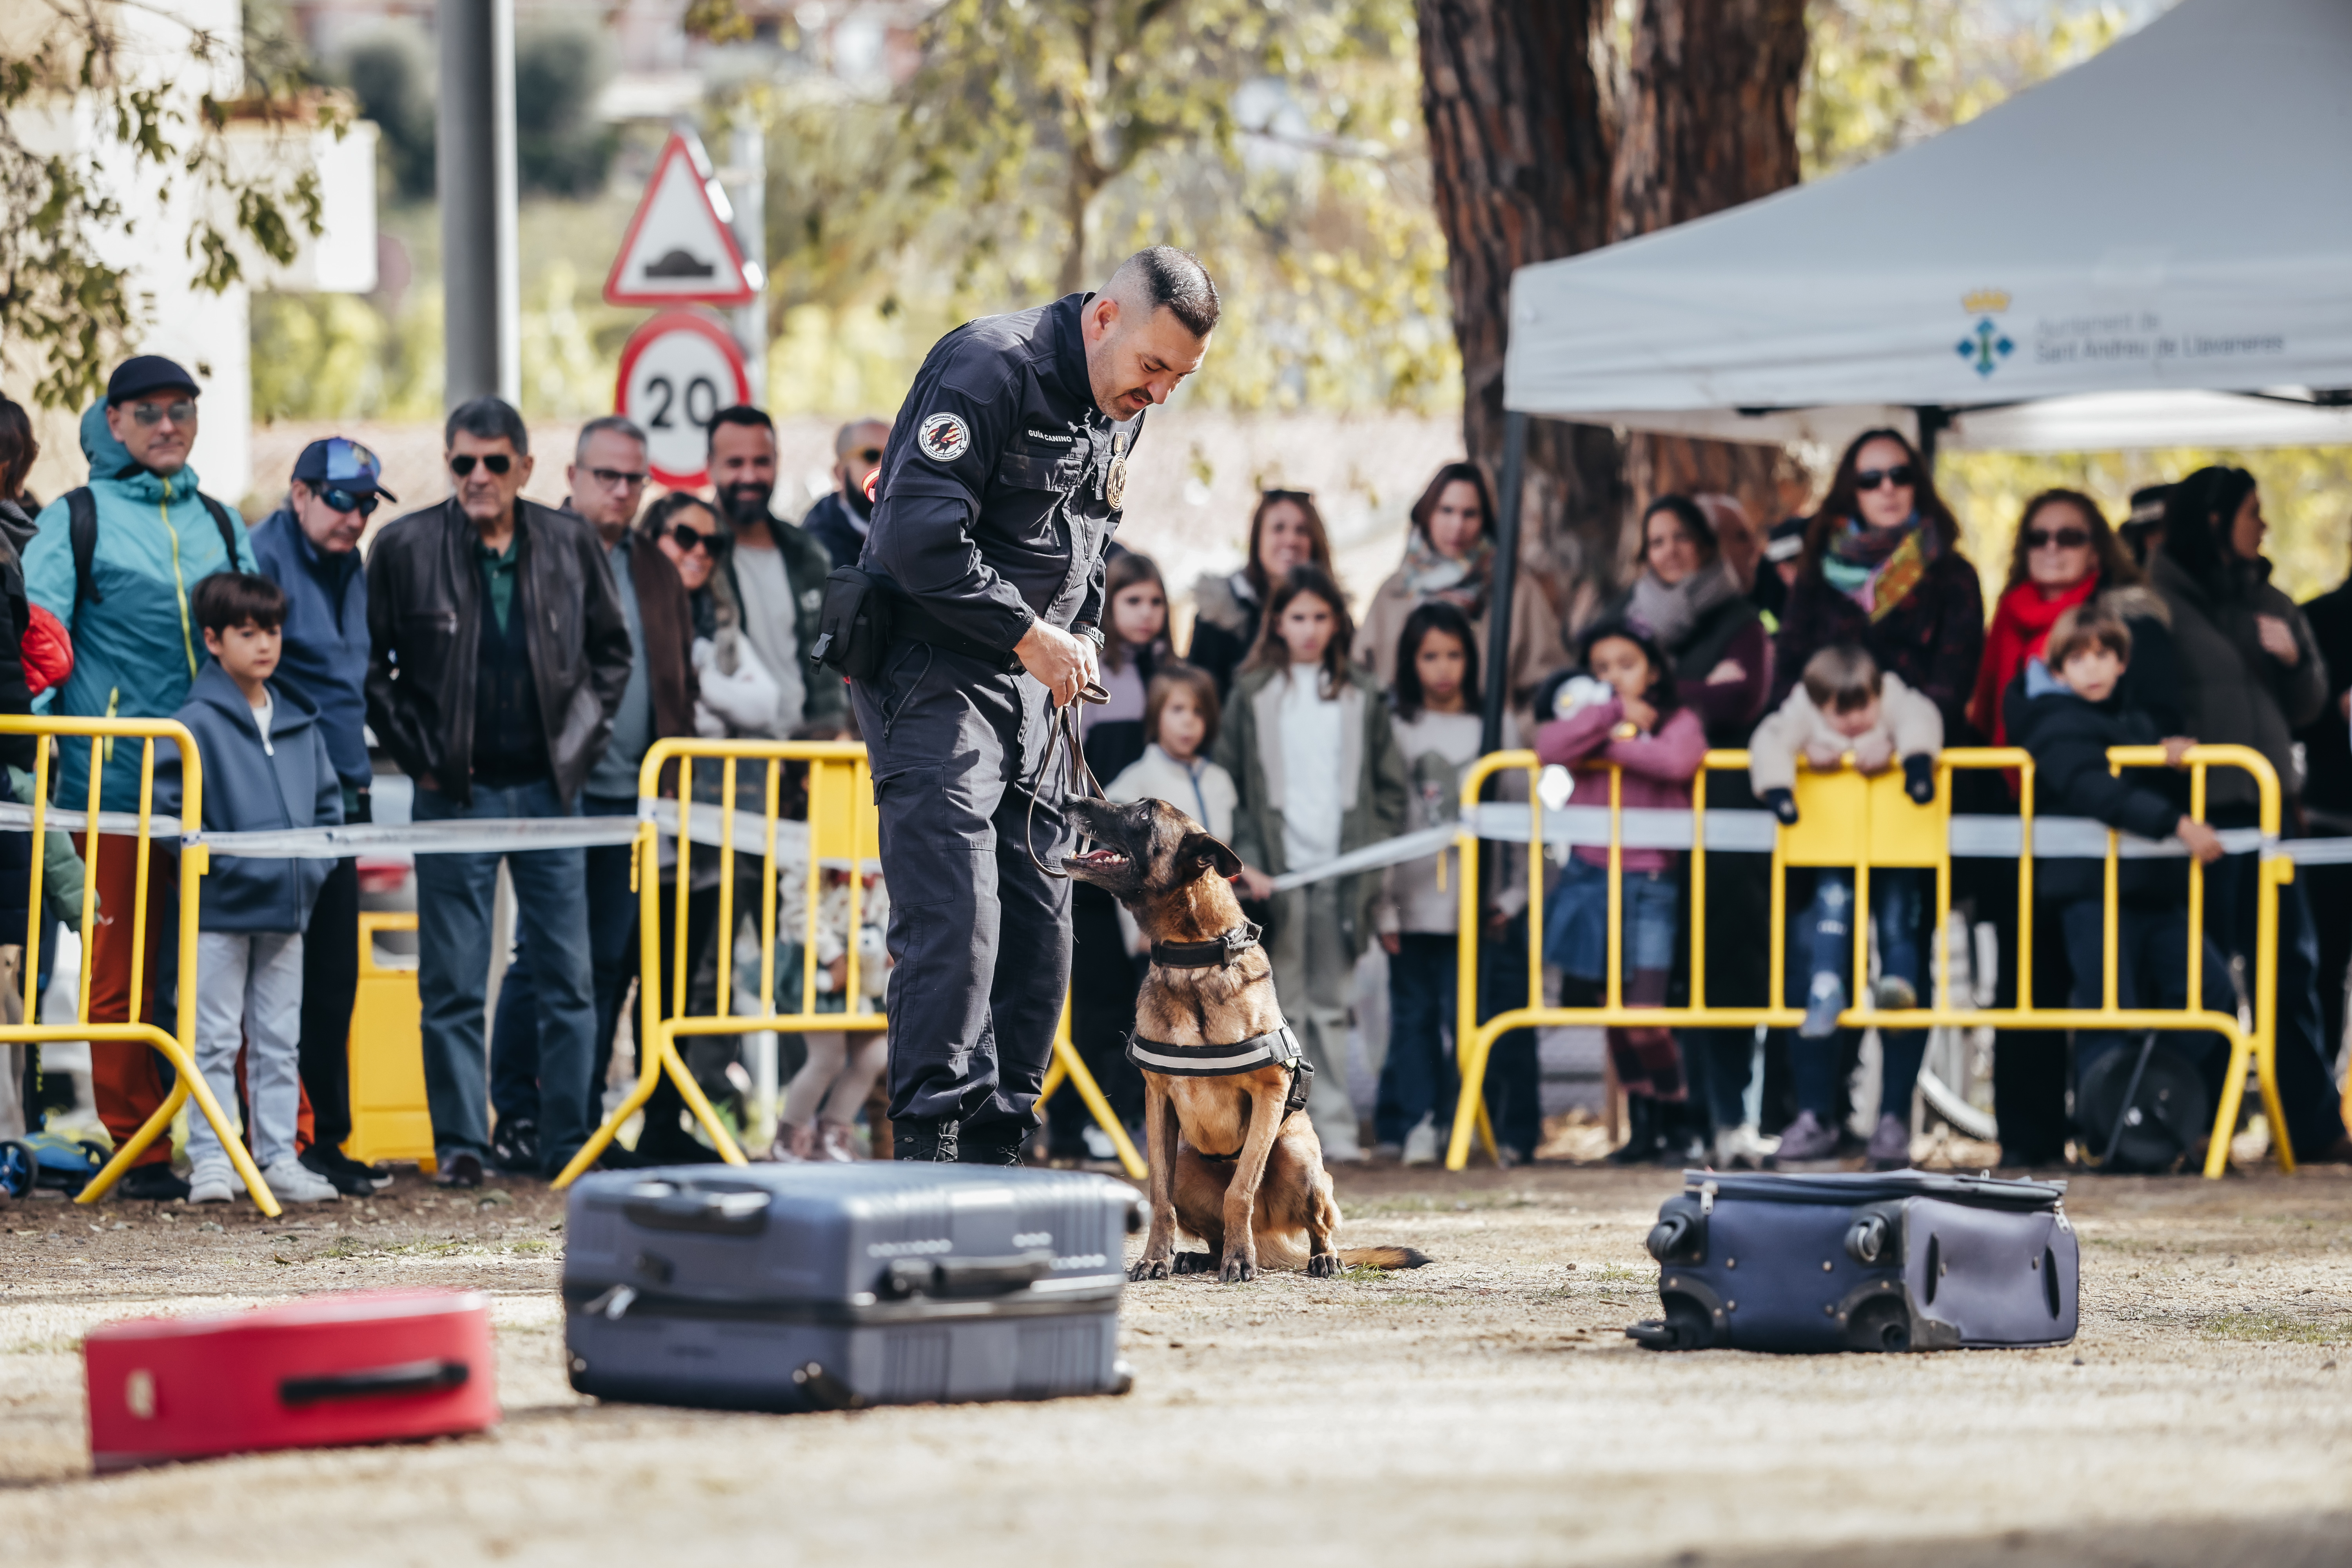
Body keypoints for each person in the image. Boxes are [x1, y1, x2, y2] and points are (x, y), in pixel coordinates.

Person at [853, 246, 1217, 1164]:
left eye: (1180, 376)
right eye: (1154, 365)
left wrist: (1083, 635)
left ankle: (1005, 1139)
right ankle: (935, 1147)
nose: (1162, 392)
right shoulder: (990, 365)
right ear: (1104, 319)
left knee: (1041, 917)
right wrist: (1032, 635)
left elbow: (1088, 545)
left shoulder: (1117, 410)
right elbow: (914, 537)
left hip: (1036, 687)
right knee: (957, 915)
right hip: (934, 671)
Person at [364, 396, 633, 1186]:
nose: (477, 476)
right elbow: (372, 670)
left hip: (552, 791)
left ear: (525, 466)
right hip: (456, 793)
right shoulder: (405, 545)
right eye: (462, 462)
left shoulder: (569, 541)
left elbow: (610, 655)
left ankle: (566, 1141)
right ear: (449, 465)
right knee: (452, 977)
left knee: (569, 977)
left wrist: (576, 747)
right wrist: (422, 757)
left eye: (493, 461)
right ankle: (461, 1144)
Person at [24, 355, 257, 1201]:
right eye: (149, 411)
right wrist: (32, 766)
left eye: (182, 409)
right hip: (110, 789)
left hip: (212, 790)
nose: (168, 425)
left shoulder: (227, 524)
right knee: (116, 974)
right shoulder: (75, 518)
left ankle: (227, 1140)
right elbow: (38, 645)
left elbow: (258, 643)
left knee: (219, 967)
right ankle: (139, 1149)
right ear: (114, 421)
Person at [483, 417, 698, 1174]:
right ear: (570, 477)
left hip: (636, 802)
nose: (621, 490)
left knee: (606, 961)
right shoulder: (534, 549)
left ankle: (573, 1126)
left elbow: (679, 681)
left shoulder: (654, 566)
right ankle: (518, 1114)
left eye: (635, 478)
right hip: (552, 792)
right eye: (606, 475)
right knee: (539, 960)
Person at [2147, 466, 2351, 1165]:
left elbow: (2311, 706)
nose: (2262, 527)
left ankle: (2312, 1127)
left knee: (2290, 967)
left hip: (2272, 813)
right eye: (2251, 513)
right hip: (2198, 816)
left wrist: (2296, 661)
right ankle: (2198, 1129)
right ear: (2213, 520)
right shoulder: (2155, 602)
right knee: (2201, 974)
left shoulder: (2271, 600)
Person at [1967, 487, 2176, 1166]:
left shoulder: (2133, 620)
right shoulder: (2006, 619)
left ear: (2098, 546)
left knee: (2110, 987)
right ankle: (2027, 1139)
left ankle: (2122, 1129)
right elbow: (1991, 714)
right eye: (2039, 537)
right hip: (2022, 822)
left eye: (2070, 536)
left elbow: (2151, 718)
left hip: (2110, 829)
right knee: (2026, 985)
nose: (2052, 549)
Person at [2005, 606, 2237, 1123]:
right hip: (2092, 894)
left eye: (2102, 654)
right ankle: (2105, 1131)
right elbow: (2095, 789)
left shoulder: (2134, 723)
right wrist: (2176, 823)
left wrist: (2168, 757)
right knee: (2109, 1012)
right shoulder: (2049, 720)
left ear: (2123, 662)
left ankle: (2148, 1106)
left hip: (2152, 890)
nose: (2091, 667)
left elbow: (2128, 775)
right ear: (2059, 669)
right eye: (2077, 657)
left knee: (2209, 991)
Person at [1218, 563, 1406, 1162]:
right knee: (1278, 1007)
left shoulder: (1363, 693)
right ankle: (1275, 1136)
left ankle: (1334, 1128)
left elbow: (1388, 789)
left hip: (1341, 879)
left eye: (1321, 617)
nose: (1309, 629)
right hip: (1275, 878)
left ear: (1337, 622)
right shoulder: (1252, 693)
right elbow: (1233, 784)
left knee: (1331, 1005)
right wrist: (1247, 861)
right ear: (1277, 621)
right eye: (1297, 616)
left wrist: (1368, 864)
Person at [247, 437, 395, 1197]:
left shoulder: (352, 564)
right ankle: (275, 1141)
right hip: (281, 799)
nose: (356, 516)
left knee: (336, 976)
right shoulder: (260, 557)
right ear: (299, 492)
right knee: (271, 980)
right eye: (341, 499)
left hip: (346, 793)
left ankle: (327, 1136)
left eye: (367, 503)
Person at [166, 573, 344, 1205]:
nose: (265, 644)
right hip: (219, 912)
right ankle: (212, 1158)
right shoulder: (192, 726)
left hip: (288, 910)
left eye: (271, 630)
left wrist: (309, 872)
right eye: (248, 633)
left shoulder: (301, 724)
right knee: (212, 1038)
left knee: (278, 1039)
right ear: (214, 641)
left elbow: (329, 810)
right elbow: (172, 820)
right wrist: (232, 871)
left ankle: (276, 1156)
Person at [1611, 494, 1775, 1169]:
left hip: (1726, 823)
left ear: (1706, 547)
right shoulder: (1628, 624)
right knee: (1648, 980)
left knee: (1724, 970)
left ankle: (1731, 1119)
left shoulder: (1741, 619)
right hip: (1647, 822)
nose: (1670, 549)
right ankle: (1656, 1125)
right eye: (1658, 539)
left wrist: (1657, 701)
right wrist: (1696, 691)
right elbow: (1595, 695)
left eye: (1683, 537)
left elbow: (1742, 699)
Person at [1749, 644, 1942, 1170]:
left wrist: (1912, 759)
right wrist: (1782, 787)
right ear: (1820, 705)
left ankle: (1894, 1119)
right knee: (1821, 979)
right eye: (1842, 711)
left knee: (1901, 971)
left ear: (1878, 695)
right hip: (1829, 857)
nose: (1856, 721)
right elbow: (1768, 740)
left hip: (1898, 855)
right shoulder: (1799, 713)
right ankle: (1816, 1114)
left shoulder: (1898, 702)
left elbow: (1922, 720)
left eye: (1864, 708)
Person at [1535, 622, 1706, 1164]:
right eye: (1601, 668)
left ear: (1653, 669)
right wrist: (1611, 720)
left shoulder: (1678, 718)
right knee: (1612, 1011)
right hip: (1591, 879)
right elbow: (1547, 746)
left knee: (1644, 1012)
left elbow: (1678, 760)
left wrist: (1603, 749)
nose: (1613, 678)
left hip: (1652, 881)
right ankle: (1643, 1124)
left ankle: (1677, 1117)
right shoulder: (1589, 719)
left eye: (1626, 664)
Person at [1373, 602, 1523, 1165]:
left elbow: (1517, 820)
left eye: (1454, 655)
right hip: (1410, 907)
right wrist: (1382, 906)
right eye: (1430, 655)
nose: (1443, 668)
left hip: (1477, 907)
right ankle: (1418, 1123)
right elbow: (1384, 819)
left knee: (1474, 1022)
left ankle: (1479, 1123)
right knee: (1411, 1019)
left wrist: (1513, 895)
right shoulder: (1396, 725)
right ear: (1411, 661)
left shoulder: (1497, 726)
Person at [1354, 461, 1564, 728]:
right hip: (1403, 751)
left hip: (1488, 750)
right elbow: (1361, 680)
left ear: (1485, 520)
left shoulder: (1515, 591)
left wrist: (1510, 732)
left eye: (1470, 514)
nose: (1457, 525)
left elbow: (1549, 685)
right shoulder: (1394, 592)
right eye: (1447, 510)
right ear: (1427, 513)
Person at [708, 405, 846, 734]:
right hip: (722, 761)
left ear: (777, 462)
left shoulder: (807, 553)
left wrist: (829, 734)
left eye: (761, 462)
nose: (750, 476)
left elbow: (826, 660)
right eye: (735, 463)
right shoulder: (693, 551)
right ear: (710, 466)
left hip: (805, 758)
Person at [1187, 488, 1334, 702]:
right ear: (1258, 538)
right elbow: (1199, 700)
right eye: (1278, 529)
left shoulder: (1332, 613)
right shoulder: (1220, 614)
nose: (1291, 540)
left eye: (1302, 530)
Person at [2298, 554, 2352, 1080]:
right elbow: (2302, 714)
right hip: (2332, 817)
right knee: (2324, 964)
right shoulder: (2321, 618)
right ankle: (2317, 1106)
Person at [1078, 550, 1171, 785]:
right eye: (1133, 600)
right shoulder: (1090, 672)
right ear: (1108, 604)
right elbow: (1070, 760)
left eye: (1156, 601)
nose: (1147, 612)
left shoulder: (1174, 673)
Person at [800, 416, 890, 570]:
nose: (886, 468)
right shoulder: (816, 543)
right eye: (871, 455)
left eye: (894, 456)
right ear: (839, 472)